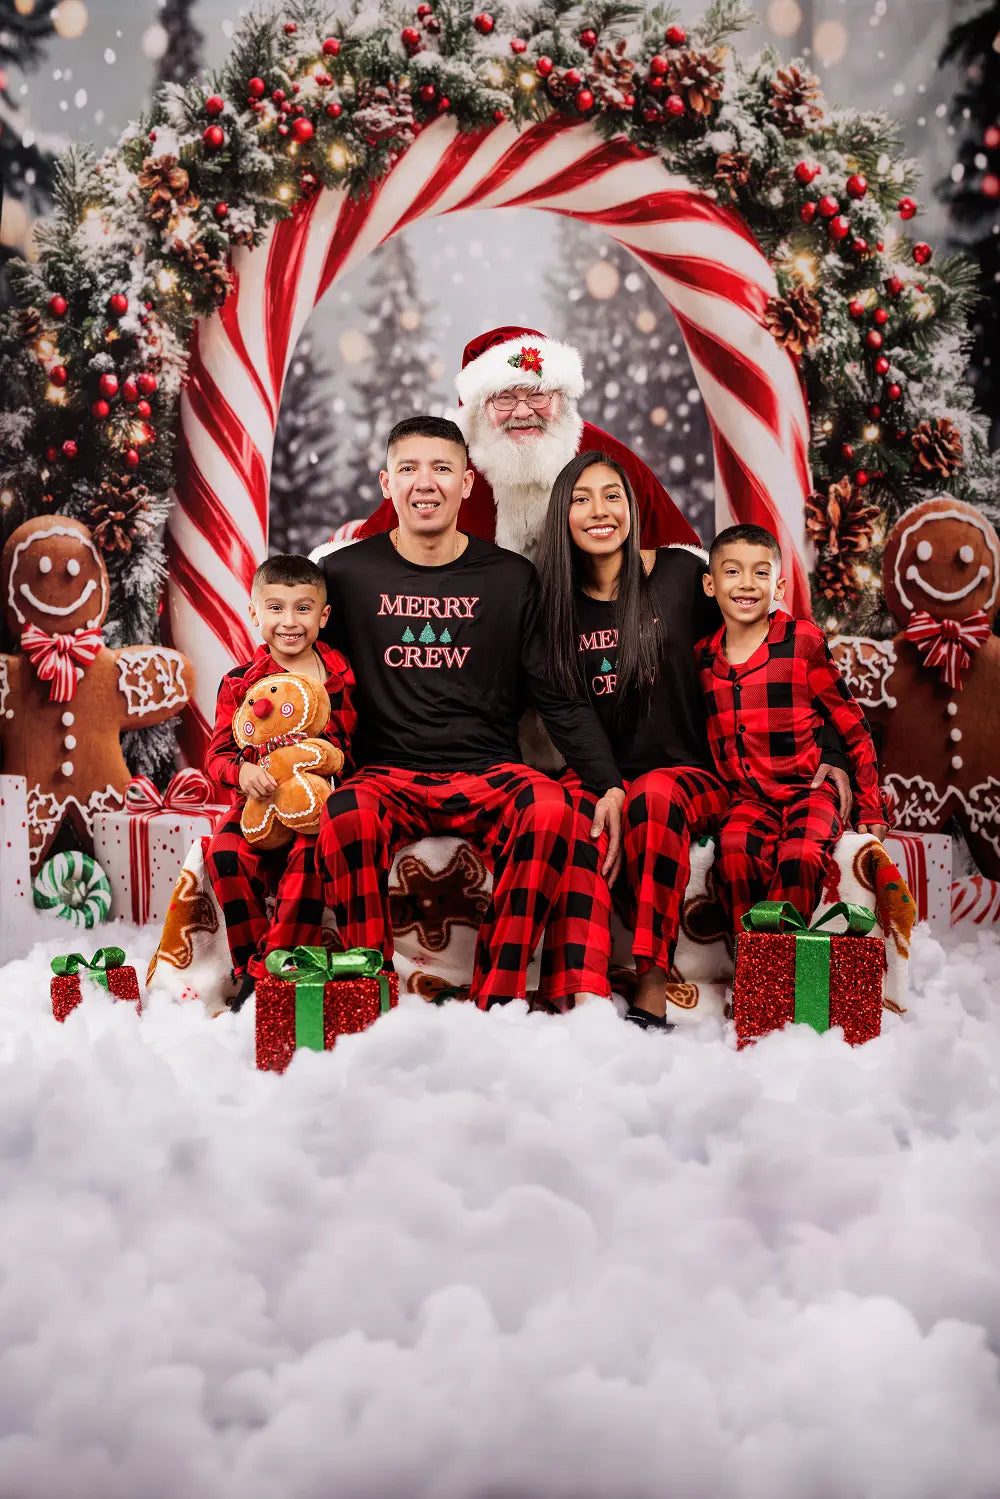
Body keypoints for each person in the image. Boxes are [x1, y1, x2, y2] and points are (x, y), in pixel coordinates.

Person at [535, 453, 857, 1031]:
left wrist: (832, 750)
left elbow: (776, 651)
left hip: (690, 773)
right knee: (567, 815)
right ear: (563, 513)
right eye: (581, 498)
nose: (599, 511)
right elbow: (568, 709)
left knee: (654, 796)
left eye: (613, 495)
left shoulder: (683, 577)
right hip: (599, 769)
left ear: (633, 508)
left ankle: (652, 979)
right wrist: (606, 783)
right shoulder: (554, 606)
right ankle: (578, 991)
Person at [315, 415, 625, 1010]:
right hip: (386, 772)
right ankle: (366, 988)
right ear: (386, 484)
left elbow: (556, 693)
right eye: (409, 468)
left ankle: (499, 995)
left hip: (486, 770)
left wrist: (606, 779)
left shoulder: (510, 578)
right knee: (346, 813)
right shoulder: (345, 574)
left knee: (551, 807)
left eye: (441, 468)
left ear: (467, 484)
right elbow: (302, 675)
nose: (424, 482)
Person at [349, 326, 699, 558]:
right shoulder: (449, 461)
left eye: (537, 396)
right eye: (503, 398)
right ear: (476, 408)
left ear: (562, 399)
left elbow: (677, 552)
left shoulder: (604, 456)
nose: (522, 412)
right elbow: (375, 542)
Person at [698, 523, 888, 932]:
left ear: (779, 587)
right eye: (732, 572)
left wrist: (871, 803)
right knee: (733, 853)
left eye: (761, 573)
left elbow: (852, 724)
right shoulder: (703, 657)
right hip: (748, 800)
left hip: (810, 791)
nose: (747, 584)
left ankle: (783, 964)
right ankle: (751, 965)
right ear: (710, 584)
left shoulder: (801, 642)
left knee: (801, 855)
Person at [204, 555, 357, 1003]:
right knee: (227, 854)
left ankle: (280, 962)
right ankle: (254, 965)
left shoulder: (342, 678)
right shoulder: (239, 684)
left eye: (303, 608)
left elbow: (349, 752)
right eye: (275, 608)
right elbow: (216, 755)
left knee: (312, 856)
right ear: (254, 614)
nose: (289, 621)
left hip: (315, 804)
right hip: (259, 804)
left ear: (323, 615)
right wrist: (242, 771)